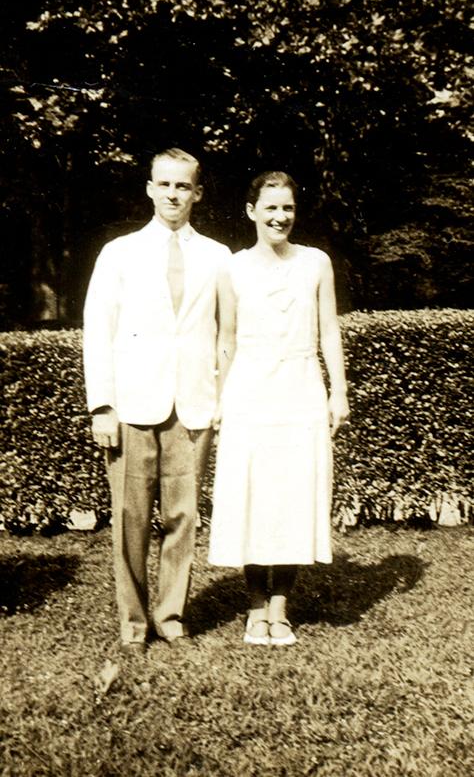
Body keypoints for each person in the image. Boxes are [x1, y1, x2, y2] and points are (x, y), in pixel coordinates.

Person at [83, 148, 230, 654]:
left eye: (183, 186)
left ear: (198, 192)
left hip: (193, 404)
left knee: (183, 517)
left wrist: (221, 400)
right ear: (149, 188)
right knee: (130, 517)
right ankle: (133, 622)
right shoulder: (119, 253)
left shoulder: (217, 256)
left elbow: (226, 334)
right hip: (131, 405)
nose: (173, 194)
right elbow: (97, 331)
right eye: (164, 184)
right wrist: (101, 405)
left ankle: (171, 618)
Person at [208, 171, 350, 647]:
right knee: (252, 495)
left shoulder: (316, 263)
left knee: (292, 495)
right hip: (249, 390)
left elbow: (328, 330)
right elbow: (225, 338)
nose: (279, 216)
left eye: (287, 207)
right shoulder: (232, 267)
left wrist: (339, 391)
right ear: (251, 212)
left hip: (301, 388)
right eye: (270, 208)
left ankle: (280, 609)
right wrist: (221, 399)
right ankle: (253, 607)